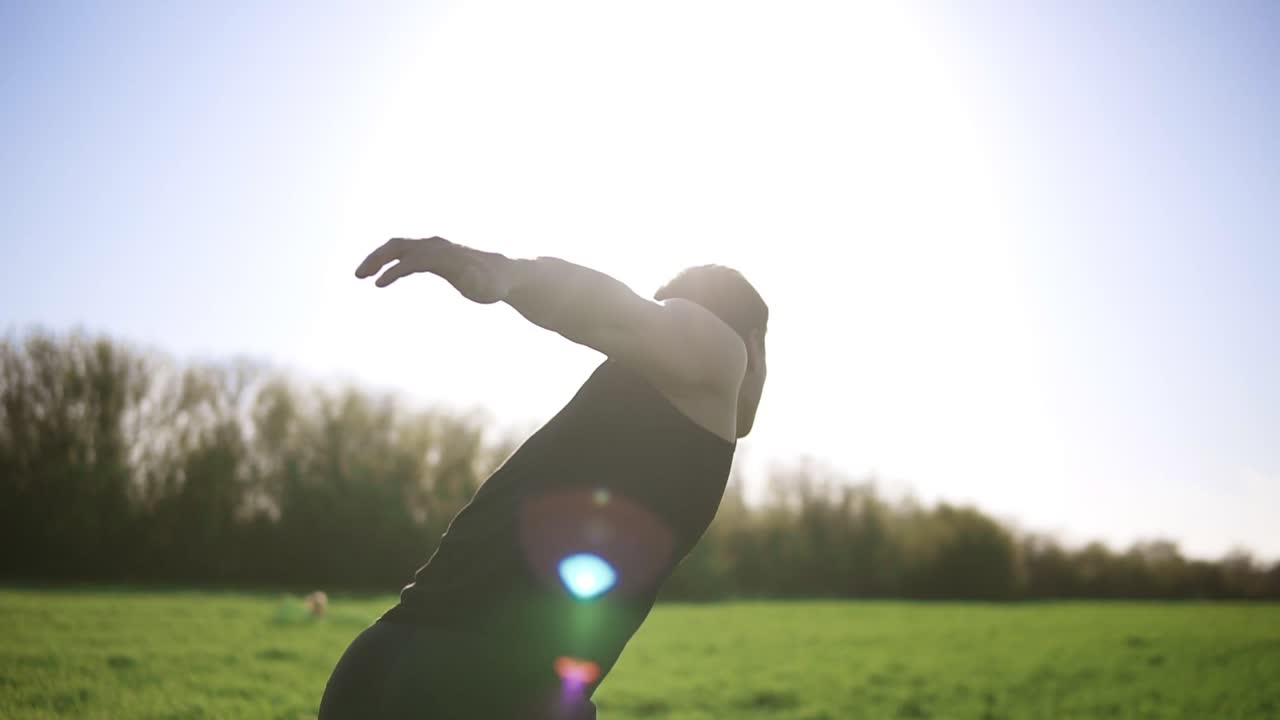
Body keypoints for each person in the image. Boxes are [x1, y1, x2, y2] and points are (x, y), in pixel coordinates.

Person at [318, 236, 768, 719]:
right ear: (756, 341)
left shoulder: (632, 404)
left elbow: (622, 318)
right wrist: (512, 274)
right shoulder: (721, 354)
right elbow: (613, 312)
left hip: (385, 662)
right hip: (475, 689)